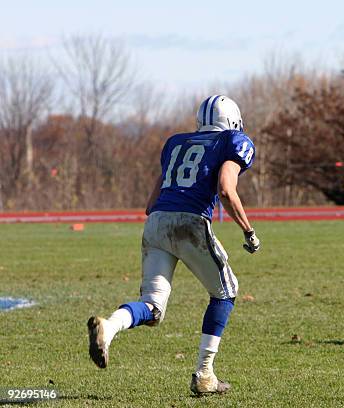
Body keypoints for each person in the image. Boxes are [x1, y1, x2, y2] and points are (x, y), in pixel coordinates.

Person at [87, 95, 259, 395]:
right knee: (226, 292)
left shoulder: (176, 143)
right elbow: (226, 189)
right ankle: (205, 374)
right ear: (233, 121)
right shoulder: (233, 141)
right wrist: (248, 230)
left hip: (156, 223)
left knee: (153, 307)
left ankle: (109, 327)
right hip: (189, 222)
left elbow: (150, 203)